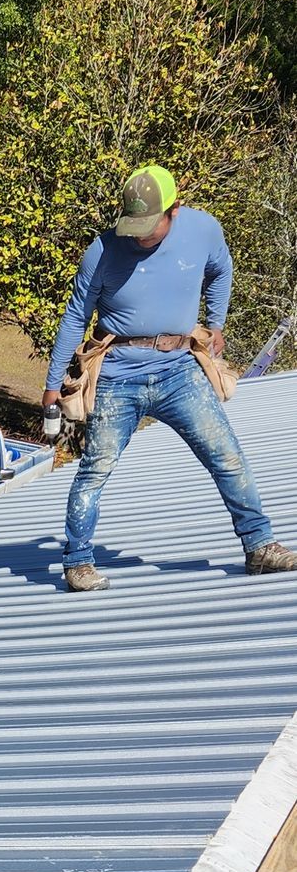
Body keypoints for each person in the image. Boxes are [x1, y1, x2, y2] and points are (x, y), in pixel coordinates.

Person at [42, 164, 295, 591]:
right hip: (118, 375)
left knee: (227, 455)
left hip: (179, 370)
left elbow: (221, 269)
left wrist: (216, 322)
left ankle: (260, 546)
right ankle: (78, 562)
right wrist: (52, 384)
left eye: (148, 226)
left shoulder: (202, 230)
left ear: (173, 210)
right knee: (94, 469)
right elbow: (74, 317)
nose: (138, 236)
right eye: (132, 225)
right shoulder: (101, 251)